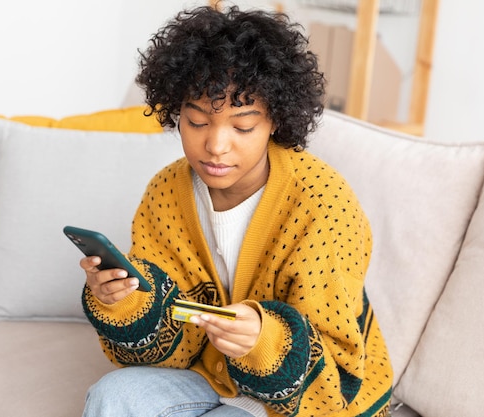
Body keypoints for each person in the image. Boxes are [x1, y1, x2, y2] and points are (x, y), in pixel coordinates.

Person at [79, 5, 393, 417]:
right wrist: (122, 301)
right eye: (196, 122)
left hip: (302, 399)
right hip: (208, 371)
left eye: (243, 127)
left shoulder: (323, 203)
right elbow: (171, 331)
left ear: (275, 122)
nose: (216, 146)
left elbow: (336, 365)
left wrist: (265, 341)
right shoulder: (165, 192)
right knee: (112, 395)